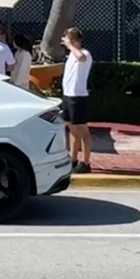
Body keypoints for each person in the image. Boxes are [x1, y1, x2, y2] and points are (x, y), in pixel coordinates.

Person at [60, 27, 94, 173]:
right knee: (72, 129)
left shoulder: (84, 53)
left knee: (83, 129)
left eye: (67, 38)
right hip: (68, 95)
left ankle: (86, 162)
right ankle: (73, 159)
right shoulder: (71, 56)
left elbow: (81, 57)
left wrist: (70, 45)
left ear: (74, 40)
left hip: (78, 97)